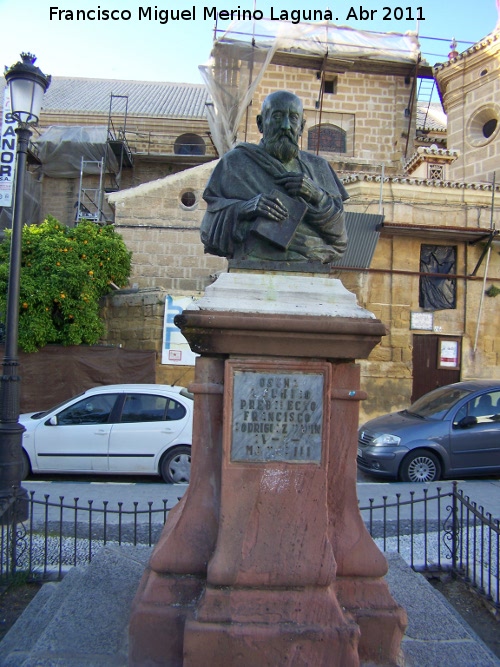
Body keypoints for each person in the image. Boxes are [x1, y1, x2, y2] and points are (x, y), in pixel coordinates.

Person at [200, 90, 349, 264]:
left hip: (310, 260)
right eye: (277, 116)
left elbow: (340, 238)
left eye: (293, 118)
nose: (285, 126)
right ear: (261, 123)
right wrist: (245, 208)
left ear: (301, 126)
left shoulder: (319, 167)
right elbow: (208, 229)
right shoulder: (234, 163)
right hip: (252, 260)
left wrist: (318, 196)